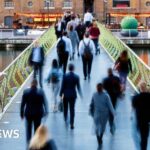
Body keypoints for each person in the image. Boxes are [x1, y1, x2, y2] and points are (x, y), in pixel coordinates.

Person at [20, 79, 48, 144]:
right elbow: (45, 103)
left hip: (28, 114)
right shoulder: (41, 92)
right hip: (38, 114)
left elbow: (22, 104)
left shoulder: (26, 92)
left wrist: (22, 114)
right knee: (37, 129)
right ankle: (36, 142)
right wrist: (46, 112)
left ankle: (29, 142)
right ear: (37, 84)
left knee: (28, 129)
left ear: (31, 84)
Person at [89, 83, 115, 149]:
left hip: (96, 113)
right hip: (104, 114)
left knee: (97, 126)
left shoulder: (94, 95)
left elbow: (92, 104)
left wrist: (90, 112)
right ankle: (101, 137)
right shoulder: (106, 96)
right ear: (102, 88)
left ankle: (98, 138)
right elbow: (110, 105)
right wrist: (113, 113)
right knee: (103, 127)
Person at [59, 64, 82, 129]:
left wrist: (60, 94)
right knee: (72, 109)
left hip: (65, 95)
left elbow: (62, 86)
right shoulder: (76, 77)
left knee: (65, 107)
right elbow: (78, 87)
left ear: (68, 68)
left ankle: (65, 118)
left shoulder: (65, 76)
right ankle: (72, 123)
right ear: (73, 68)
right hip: (73, 95)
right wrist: (81, 94)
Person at [103, 68, 121, 134]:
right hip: (115, 97)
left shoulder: (105, 80)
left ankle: (111, 123)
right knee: (113, 109)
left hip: (108, 97)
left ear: (108, 72)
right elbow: (119, 87)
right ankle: (111, 123)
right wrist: (119, 94)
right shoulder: (117, 78)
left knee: (108, 110)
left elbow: (103, 89)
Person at [132, 82, 150, 150]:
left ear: (140, 88)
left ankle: (141, 147)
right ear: (146, 87)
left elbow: (133, 106)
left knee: (140, 135)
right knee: (144, 137)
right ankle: (143, 148)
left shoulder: (136, 98)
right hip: (147, 120)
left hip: (139, 119)